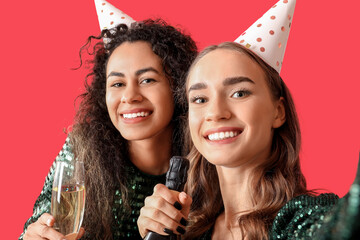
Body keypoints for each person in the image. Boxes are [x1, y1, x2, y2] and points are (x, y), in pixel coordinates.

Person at [137, 0, 360, 239]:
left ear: (278, 111)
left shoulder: (302, 220)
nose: (216, 112)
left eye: (239, 93)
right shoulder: (188, 229)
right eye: (200, 99)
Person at [19, 16, 197, 240]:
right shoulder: (82, 152)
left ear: (179, 86)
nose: (130, 97)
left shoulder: (209, 162)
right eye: (118, 84)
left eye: (147, 80)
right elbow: (37, 225)